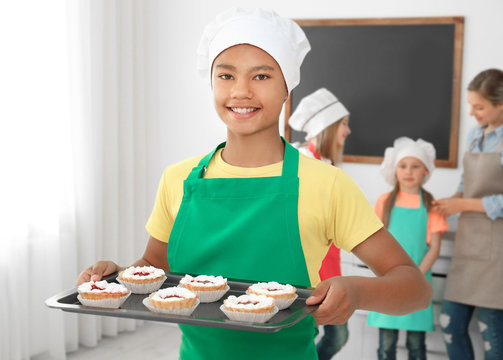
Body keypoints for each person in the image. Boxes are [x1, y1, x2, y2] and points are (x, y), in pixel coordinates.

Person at [76, 8, 432, 360]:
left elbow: (415, 288)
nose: (241, 91)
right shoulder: (178, 179)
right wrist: (117, 276)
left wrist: (356, 290)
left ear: (286, 89)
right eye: (226, 76)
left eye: (261, 77)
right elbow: (156, 270)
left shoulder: (326, 184)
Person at [433, 68, 503, 360]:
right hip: (470, 244)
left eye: (480, 107)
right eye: (471, 106)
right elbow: (466, 184)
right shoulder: (476, 135)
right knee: (450, 323)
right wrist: (452, 201)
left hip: (498, 252)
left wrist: (463, 206)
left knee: (493, 336)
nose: (473, 113)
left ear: (501, 104)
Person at [367, 137, 448, 360]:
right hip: (389, 281)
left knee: (416, 345)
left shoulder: (432, 205)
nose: (408, 171)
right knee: (386, 345)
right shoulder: (384, 202)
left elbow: (434, 248)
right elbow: (375, 241)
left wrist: (416, 275)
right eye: (403, 166)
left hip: (419, 281)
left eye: (415, 166)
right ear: (395, 170)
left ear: (425, 171)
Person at [289, 87, 351, 359]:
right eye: (344, 124)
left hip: (330, 265)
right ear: (328, 127)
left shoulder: (328, 165)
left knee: (337, 334)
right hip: (307, 269)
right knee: (311, 334)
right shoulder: (299, 163)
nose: (347, 132)